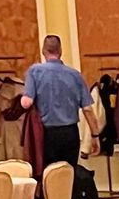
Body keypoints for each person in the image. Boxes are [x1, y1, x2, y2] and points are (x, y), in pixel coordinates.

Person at [19, 37, 93, 172]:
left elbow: (26, 103)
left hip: (46, 134)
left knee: (48, 175)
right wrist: (95, 135)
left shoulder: (35, 71)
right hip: (70, 133)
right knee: (68, 173)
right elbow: (87, 109)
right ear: (61, 51)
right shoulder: (75, 75)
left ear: (43, 51)